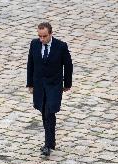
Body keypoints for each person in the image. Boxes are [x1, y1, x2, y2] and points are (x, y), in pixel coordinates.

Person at [26, 22, 73, 156]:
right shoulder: (34, 44)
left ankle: (48, 144)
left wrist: (67, 84)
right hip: (40, 86)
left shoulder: (61, 46)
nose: (41, 39)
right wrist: (30, 84)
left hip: (54, 85)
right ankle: (50, 142)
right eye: (39, 36)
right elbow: (31, 64)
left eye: (44, 36)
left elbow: (68, 66)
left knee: (49, 112)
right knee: (44, 112)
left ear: (50, 34)